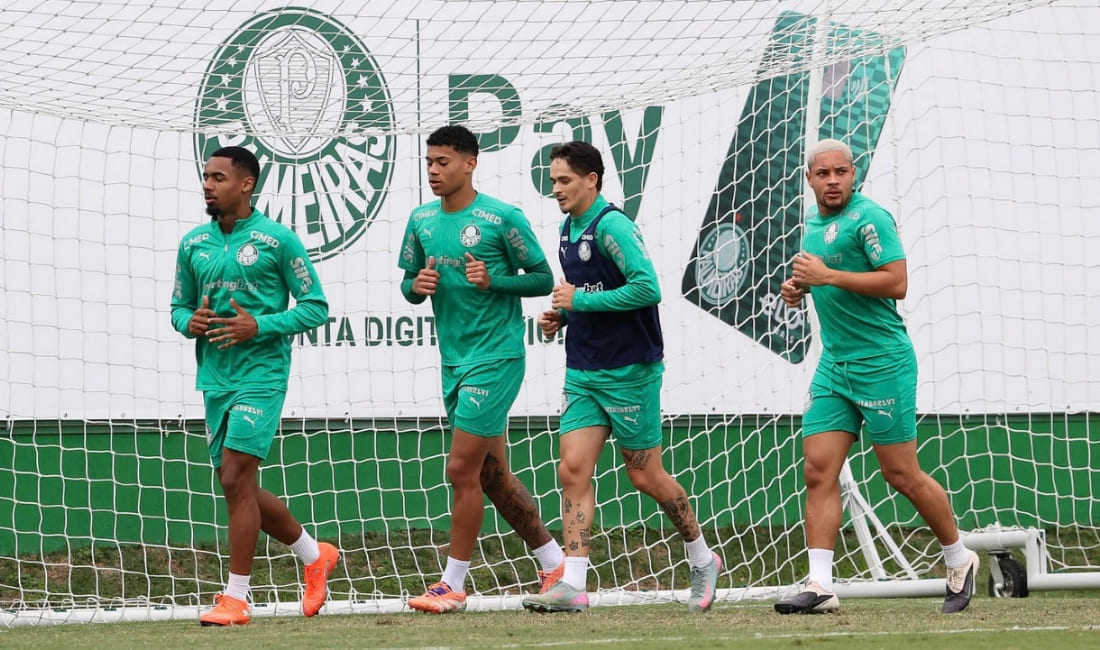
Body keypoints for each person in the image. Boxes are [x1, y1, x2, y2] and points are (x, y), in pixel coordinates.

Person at [774, 138, 979, 615]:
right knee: (817, 469)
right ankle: (820, 585)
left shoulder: (871, 218)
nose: (832, 181)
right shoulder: (811, 225)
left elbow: (896, 282)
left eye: (840, 172)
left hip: (882, 363)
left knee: (900, 473)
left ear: (853, 173)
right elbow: (824, 276)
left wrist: (826, 277)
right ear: (809, 179)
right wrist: (799, 288)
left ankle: (959, 557)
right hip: (835, 366)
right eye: (823, 173)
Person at [521, 141, 721, 614]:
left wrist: (580, 302)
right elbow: (591, 294)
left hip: (631, 372)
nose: (556, 189)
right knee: (572, 469)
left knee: (645, 476)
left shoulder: (613, 226)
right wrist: (564, 317)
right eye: (553, 181)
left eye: (565, 180)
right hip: (583, 371)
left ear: (592, 180)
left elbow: (647, 288)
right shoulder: (567, 229)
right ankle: (573, 584)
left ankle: (702, 557)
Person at [398, 125, 565, 613]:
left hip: (497, 358)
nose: (433, 171)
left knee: (460, 469)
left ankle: (452, 584)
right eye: (429, 162)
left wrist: (495, 281)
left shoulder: (501, 218)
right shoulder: (421, 220)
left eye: (443, 162)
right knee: (492, 476)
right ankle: (555, 563)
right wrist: (417, 286)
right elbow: (408, 284)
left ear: (470, 163)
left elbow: (542, 279)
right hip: (454, 361)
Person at [170, 146, 340, 626]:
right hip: (215, 378)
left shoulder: (278, 240)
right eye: (206, 176)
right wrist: (189, 322)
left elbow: (316, 306)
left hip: (262, 376)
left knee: (235, 479)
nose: (208, 185)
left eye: (218, 177)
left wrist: (258, 325)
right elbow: (178, 307)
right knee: (235, 483)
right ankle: (315, 556)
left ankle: (236, 598)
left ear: (246, 184)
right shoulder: (193, 244)